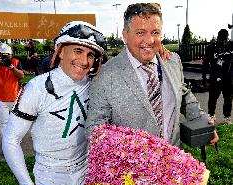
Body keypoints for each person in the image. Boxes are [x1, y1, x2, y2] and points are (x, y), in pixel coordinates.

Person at [85, 3, 219, 146]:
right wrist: (132, 150)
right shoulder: (106, 74)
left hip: (173, 159)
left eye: (155, 32)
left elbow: (183, 93)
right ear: (125, 35)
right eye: (140, 32)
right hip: (132, 166)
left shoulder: (172, 61)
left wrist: (202, 119)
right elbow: (94, 128)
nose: (149, 40)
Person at [2, 21, 106, 185]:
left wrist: (158, 51)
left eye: (90, 55)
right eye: (78, 51)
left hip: (88, 173)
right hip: (50, 178)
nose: (84, 61)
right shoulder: (37, 88)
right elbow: (11, 139)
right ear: (60, 51)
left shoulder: (96, 82)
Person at [0, 43, 24, 137]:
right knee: (3, 123)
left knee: (16, 122)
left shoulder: (16, 62)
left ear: (11, 54)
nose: (6, 57)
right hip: (0, 98)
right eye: (3, 55)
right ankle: (6, 145)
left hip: (14, 97)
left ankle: (14, 141)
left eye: (7, 55)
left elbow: (21, 76)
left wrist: (12, 67)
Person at [202, 29, 233, 124]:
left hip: (228, 78)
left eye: (225, 40)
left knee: (228, 98)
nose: (223, 42)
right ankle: (211, 115)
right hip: (215, 77)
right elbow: (205, 63)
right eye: (221, 39)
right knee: (212, 98)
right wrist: (204, 77)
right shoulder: (211, 47)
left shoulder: (231, 46)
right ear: (218, 37)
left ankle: (226, 117)